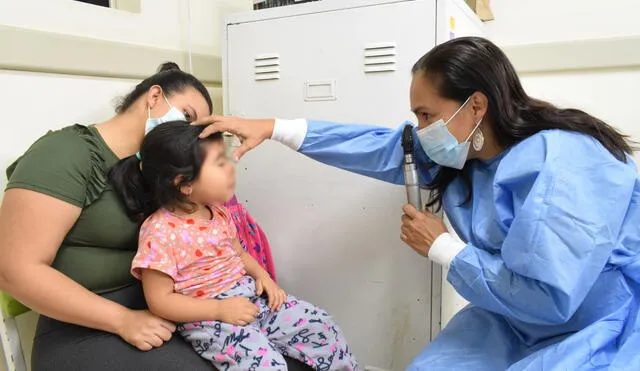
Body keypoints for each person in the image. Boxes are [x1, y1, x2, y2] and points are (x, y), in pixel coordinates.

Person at [193, 37, 640, 370]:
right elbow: (380, 148)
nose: (420, 128)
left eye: (426, 115)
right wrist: (274, 127)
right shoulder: (469, 155)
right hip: (509, 318)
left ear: (476, 104)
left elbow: (551, 295)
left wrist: (445, 247)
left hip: (596, 324)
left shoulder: (563, 162)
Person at [0, 62, 311, 370]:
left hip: (177, 309)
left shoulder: (162, 172)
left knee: (299, 354)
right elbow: (14, 270)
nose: (185, 134)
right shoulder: (65, 153)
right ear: (153, 97)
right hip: (89, 325)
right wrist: (122, 320)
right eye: (186, 116)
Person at [108, 121, 359, 370]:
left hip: (251, 299)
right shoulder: (160, 232)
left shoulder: (218, 213)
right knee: (265, 365)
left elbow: (239, 253)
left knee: (320, 325)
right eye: (220, 162)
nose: (231, 167)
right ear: (184, 183)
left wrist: (264, 277)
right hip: (208, 319)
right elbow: (160, 301)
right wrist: (219, 309)